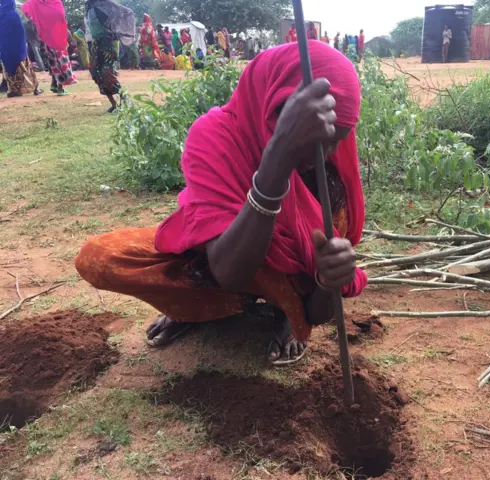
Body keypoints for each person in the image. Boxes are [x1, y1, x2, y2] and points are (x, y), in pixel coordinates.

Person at [75, 41, 366, 364]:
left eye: (335, 142)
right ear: (273, 113)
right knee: (103, 257)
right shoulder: (215, 136)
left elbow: (321, 308)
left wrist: (328, 281)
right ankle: (197, 309)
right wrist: (278, 160)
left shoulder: (332, 178)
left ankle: (284, 309)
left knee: (285, 272)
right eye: (313, 143)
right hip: (224, 261)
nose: (320, 158)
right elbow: (229, 271)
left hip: (289, 281)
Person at [85, 0, 136, 113]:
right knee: (94, 72)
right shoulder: (88, 8)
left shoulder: (106, 6)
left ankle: (125, 100)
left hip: (108, 42)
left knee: (106, 72)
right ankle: (113, 103)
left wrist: (121, 33)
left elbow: (126, 13)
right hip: (96, 43)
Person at [22, 0, 77, 95]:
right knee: (61, 62)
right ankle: (60, 88)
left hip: (47, 39)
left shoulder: (41, 4)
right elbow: (61, 18)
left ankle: (54, 84)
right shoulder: (56, 4)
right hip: (58, 38)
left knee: (53, 62)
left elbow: (27, 7)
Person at [0, 0, 41, 97]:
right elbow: (21, 33)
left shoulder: (1, 15)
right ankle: (34, 88)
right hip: (18, 48)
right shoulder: (14, 15)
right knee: (25, 68)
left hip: (5, 48)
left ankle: (13, 90)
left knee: (9, 68)